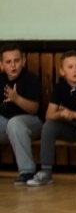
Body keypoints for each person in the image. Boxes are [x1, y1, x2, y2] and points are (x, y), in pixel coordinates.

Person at [27, 50, 76, 189]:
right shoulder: (60, 88)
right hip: (72, 129)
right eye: (70, 67)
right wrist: (62, 114)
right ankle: (46, 172)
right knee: (49, 126)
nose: (75, 70)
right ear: (62, 71)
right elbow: (49, 115)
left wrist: (73, 113)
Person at [0, 43, 43, 185]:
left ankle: (27, 172)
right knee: (11, 124)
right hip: (7, 125)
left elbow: (34, 109)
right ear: (1, 65)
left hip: (33, 123)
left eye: (16, 61)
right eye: (8, 62)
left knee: (15, 123)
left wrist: (16, 99)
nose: (13, 65)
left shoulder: (30, 79)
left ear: (23, 61)